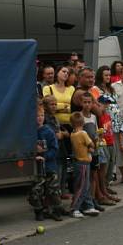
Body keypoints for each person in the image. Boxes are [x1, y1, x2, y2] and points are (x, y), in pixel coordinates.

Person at [42, 65, 75, 196]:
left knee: (66, 158)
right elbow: (47, 103)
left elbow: (72, 106)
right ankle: (55, 189)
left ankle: (63, 186)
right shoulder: (48, 88)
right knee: (56, 156)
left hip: (68, 124)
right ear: (57, 73)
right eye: (63, 71)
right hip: (53, 125)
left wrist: (60, 107)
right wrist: (63, 107)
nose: (66, 74)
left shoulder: (71, 88)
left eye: (68, 72)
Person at [68, 111, 99, 218]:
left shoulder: (72, 134)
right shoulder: (83, 134)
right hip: (84, 163)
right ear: (83, 122)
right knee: (82, 186)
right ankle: (74, 208)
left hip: (78, 162)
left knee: (84, 185)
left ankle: (88, 205)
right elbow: (91, 144)